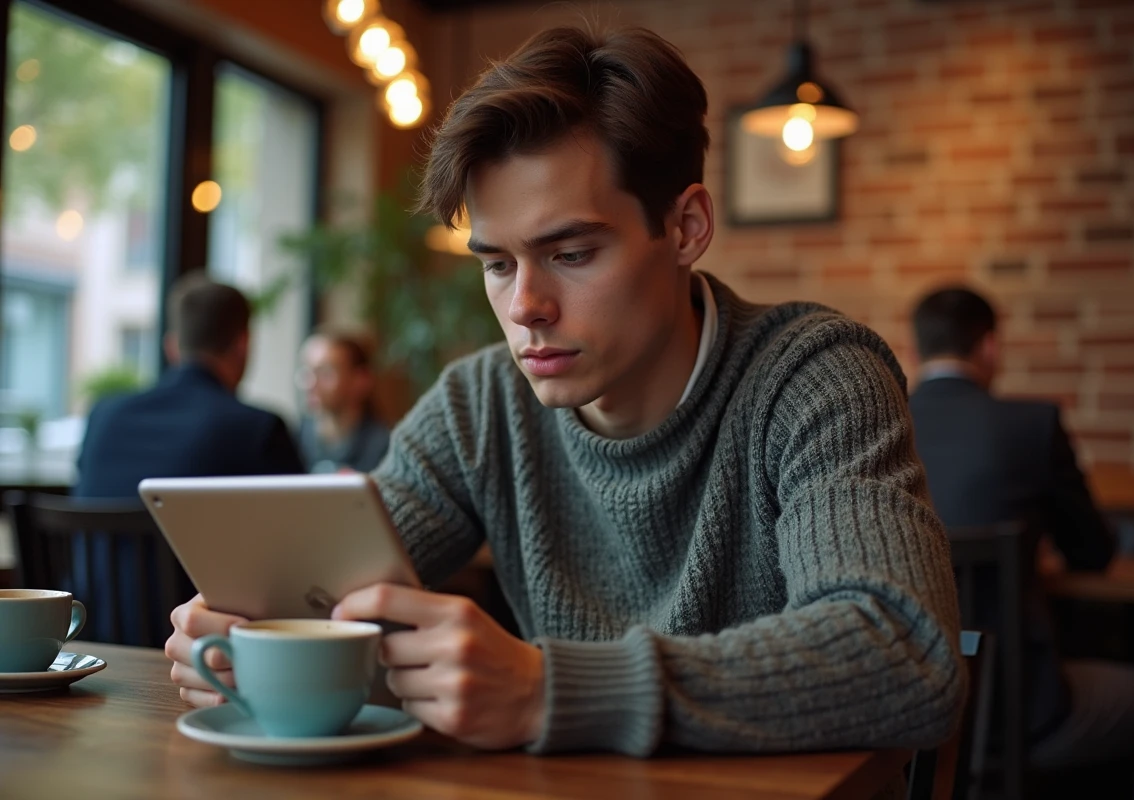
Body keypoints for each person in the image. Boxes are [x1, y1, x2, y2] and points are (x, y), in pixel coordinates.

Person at [165, 26, 965, 764]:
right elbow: (330, 592)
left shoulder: (814, 376)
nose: (525, 307)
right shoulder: (479, 406)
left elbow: (902, 652)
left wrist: (552, 689)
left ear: (685, 227)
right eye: (498, 264)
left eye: (572, 252)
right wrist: (249, 634)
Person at [909, 286, 1134, 800]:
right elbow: (1093, 553)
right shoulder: (1032, 425)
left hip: (906, 708)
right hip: (1016, 709)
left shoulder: (880, 425)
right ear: (990, 347)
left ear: (915, 350)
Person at [75, 273, 305, 643]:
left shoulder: (103, 416)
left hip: (90, 649)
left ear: (172, 347)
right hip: (200, 651)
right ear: (243, 345)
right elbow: (303, 549)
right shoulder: (257, 428)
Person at [295, 330, 391, 474]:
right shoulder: (293, 440)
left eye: (326, 373)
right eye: (307, 371)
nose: (310, 383)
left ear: (361, 380)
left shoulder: (385, 449)